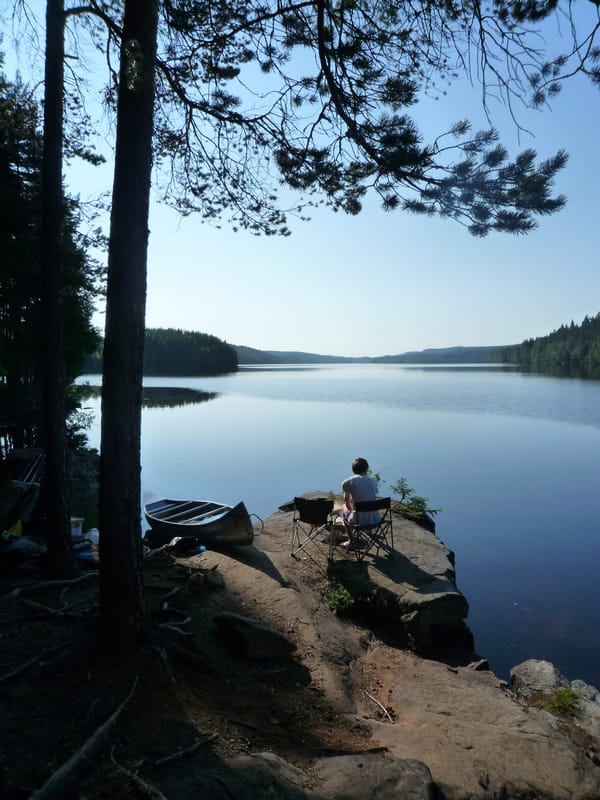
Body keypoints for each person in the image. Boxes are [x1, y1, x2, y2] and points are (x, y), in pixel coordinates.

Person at [341, 457, 380, 526]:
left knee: (344, 508)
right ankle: (368, 530)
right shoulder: (373, 481)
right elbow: (371, 497)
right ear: (367, 468)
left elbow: (347, 504)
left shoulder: (347, 482)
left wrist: (351, 506)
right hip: (375, 520)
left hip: (357, 521)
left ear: (353, 469)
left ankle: (351, 536)